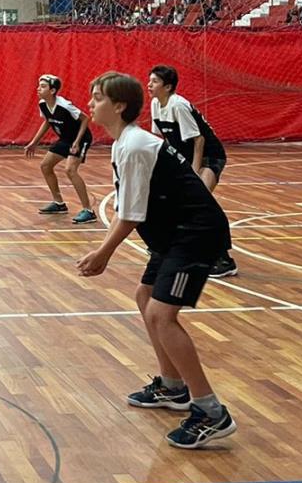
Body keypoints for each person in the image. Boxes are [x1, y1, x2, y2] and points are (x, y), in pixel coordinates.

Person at [76, 71, 236, 449]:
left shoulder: (134, 145)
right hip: (171, 234)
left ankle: (210, 412)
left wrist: (103, 254)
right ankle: (173, 386)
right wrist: (103, 249)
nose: (90, 104)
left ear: (119, 106)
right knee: (145, 298)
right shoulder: (124, 144)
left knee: (162, 315)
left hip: (194, 233)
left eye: (97, 98)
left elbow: (130, 214)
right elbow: (129, 206)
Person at [147, 66, 237, 278]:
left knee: (201, 204)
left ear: (168, 87)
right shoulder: (155, 104)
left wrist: (194, 173)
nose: (149, 85)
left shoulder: (178, 105)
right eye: (149, 81)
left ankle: (224, 260)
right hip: (185, 158)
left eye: (154, 82)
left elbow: (199, 140)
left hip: (209, 156)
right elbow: (167, 138)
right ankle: (167, 247)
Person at [23, 75, 96, 223]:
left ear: (53, 90)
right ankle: (59, 204)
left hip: (80, 139)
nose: (38, 88)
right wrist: (34, 142)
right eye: (39, 85)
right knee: (45, 165)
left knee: (70, 170)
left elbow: (85, 119)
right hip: (65, 139)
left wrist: (76, 142)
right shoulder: (43, 104)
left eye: (43, 86)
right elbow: (47, 122)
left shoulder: (64, 105)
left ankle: (89, 211)